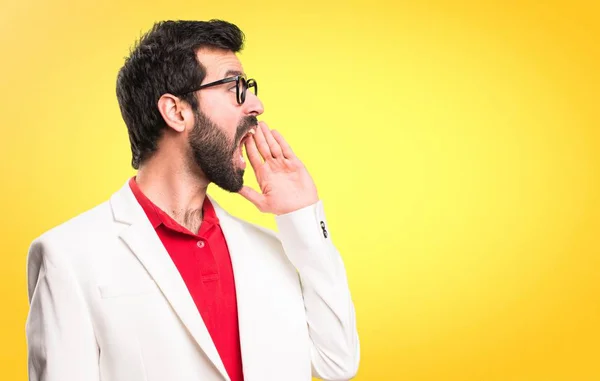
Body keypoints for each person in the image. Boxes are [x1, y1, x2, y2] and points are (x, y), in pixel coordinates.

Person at [25, 19, 359, 381]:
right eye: (235, 87)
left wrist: (302, 218)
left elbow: (338, 363)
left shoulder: (274, 250)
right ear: (176, 111)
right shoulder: (68, 256)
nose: (257, 105)